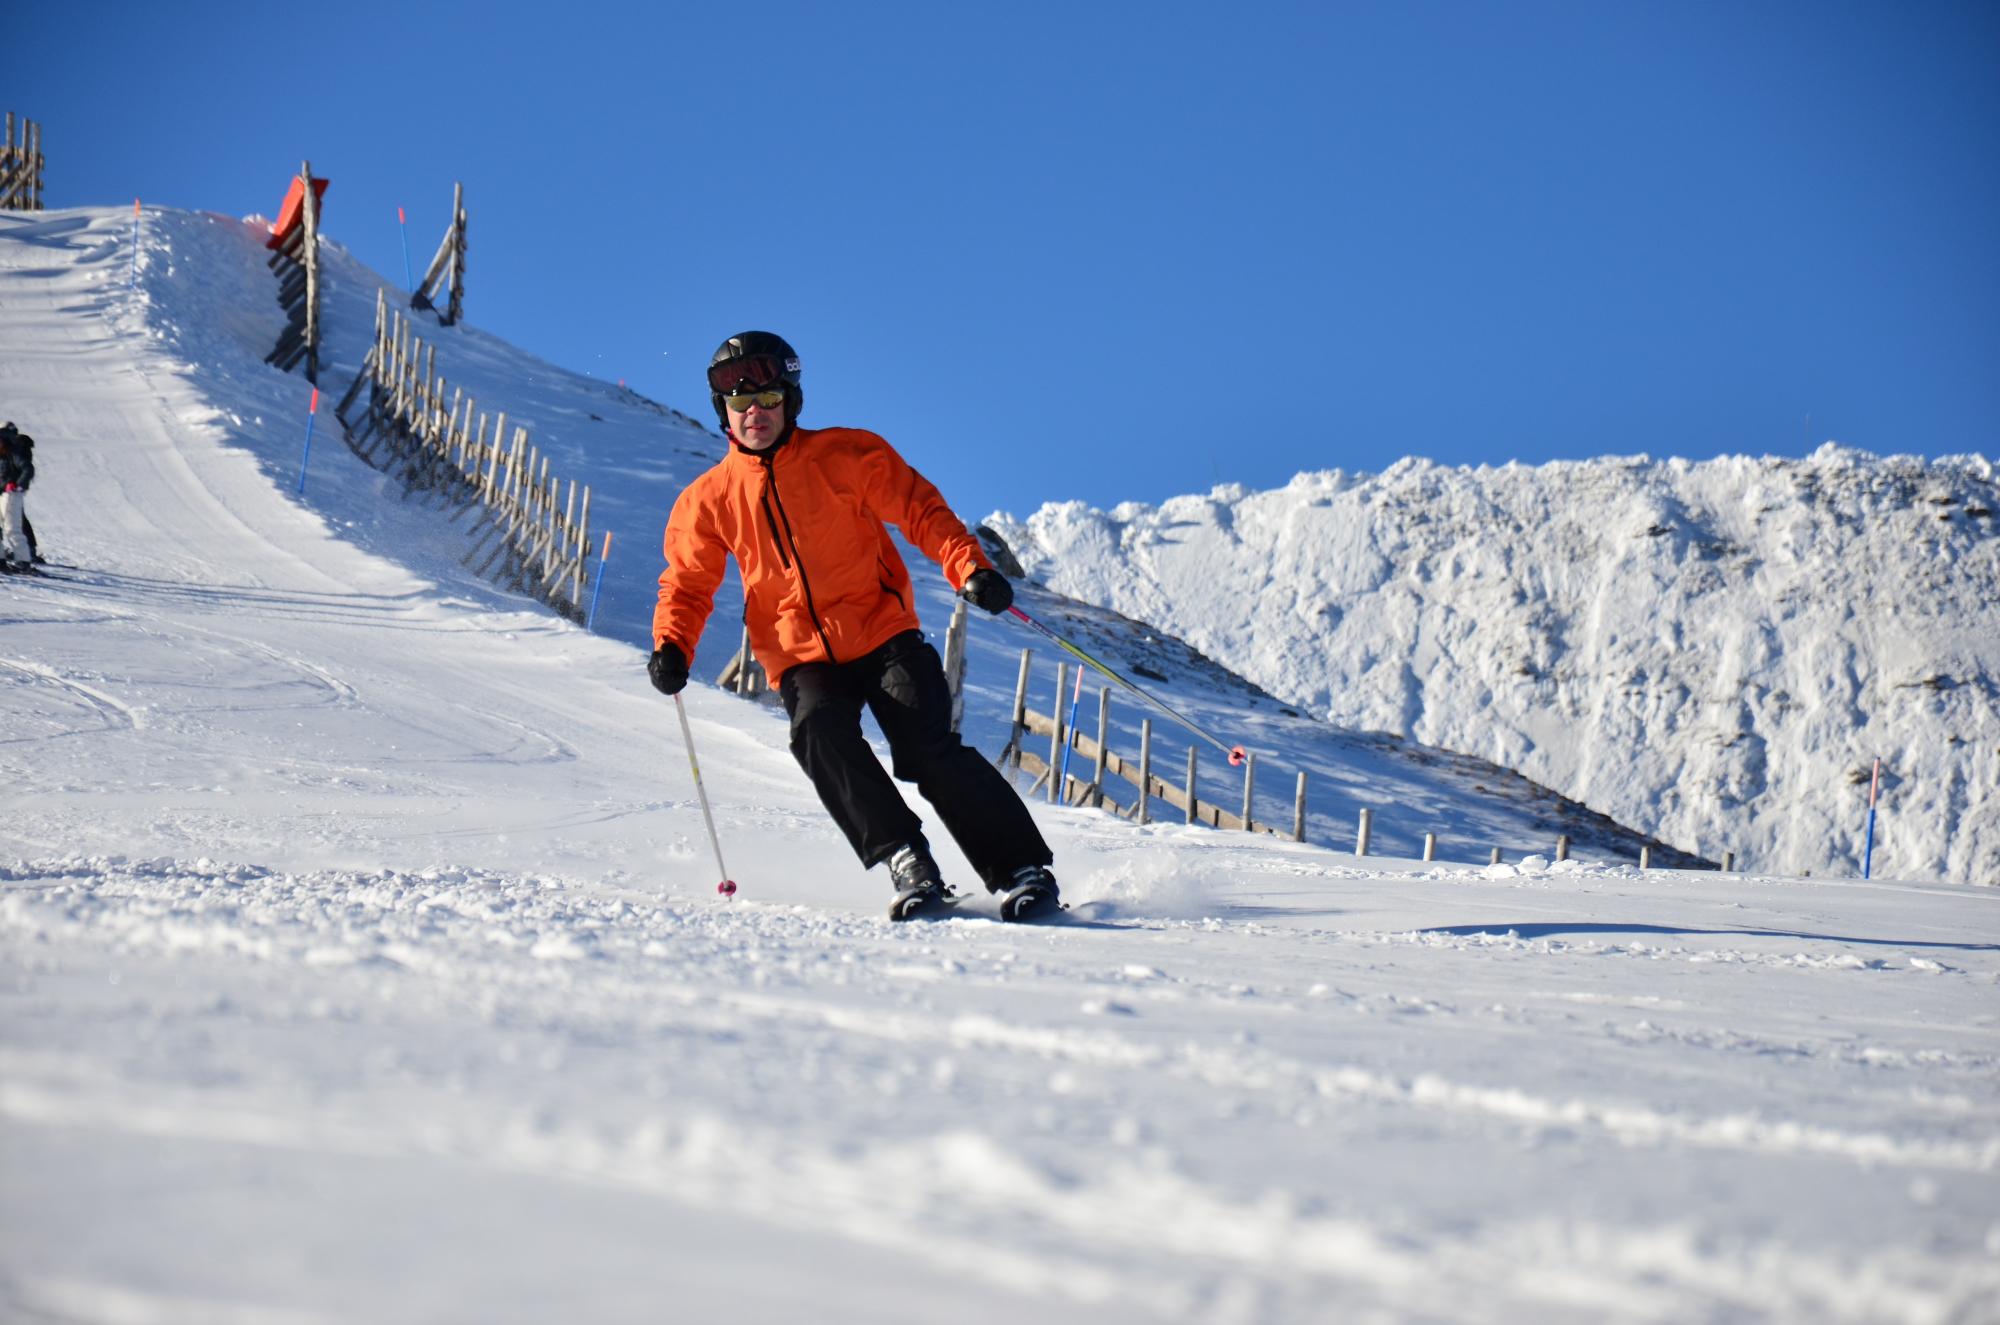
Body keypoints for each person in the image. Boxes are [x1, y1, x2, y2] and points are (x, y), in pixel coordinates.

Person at [649, 332, 1060, 921]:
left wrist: (969, 566)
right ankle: (905, 858)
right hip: (798, 653)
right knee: (818, 730)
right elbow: (687, 582)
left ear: (790, 399)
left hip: (882, 629)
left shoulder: (846, 454)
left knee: (926, 745)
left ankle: (1021, 868)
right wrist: (672, 645)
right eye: (740, 405)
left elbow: (921, 509)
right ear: (724, 414)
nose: (754, 414)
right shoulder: (708, 500)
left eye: (766, 398)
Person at [0, 422, 34, 574]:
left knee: (11, 528)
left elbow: (28, 468)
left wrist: (18, 485)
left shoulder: (13, 453)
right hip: (2, 493)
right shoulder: (3, 455)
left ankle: (23, 561)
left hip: (11, 494)